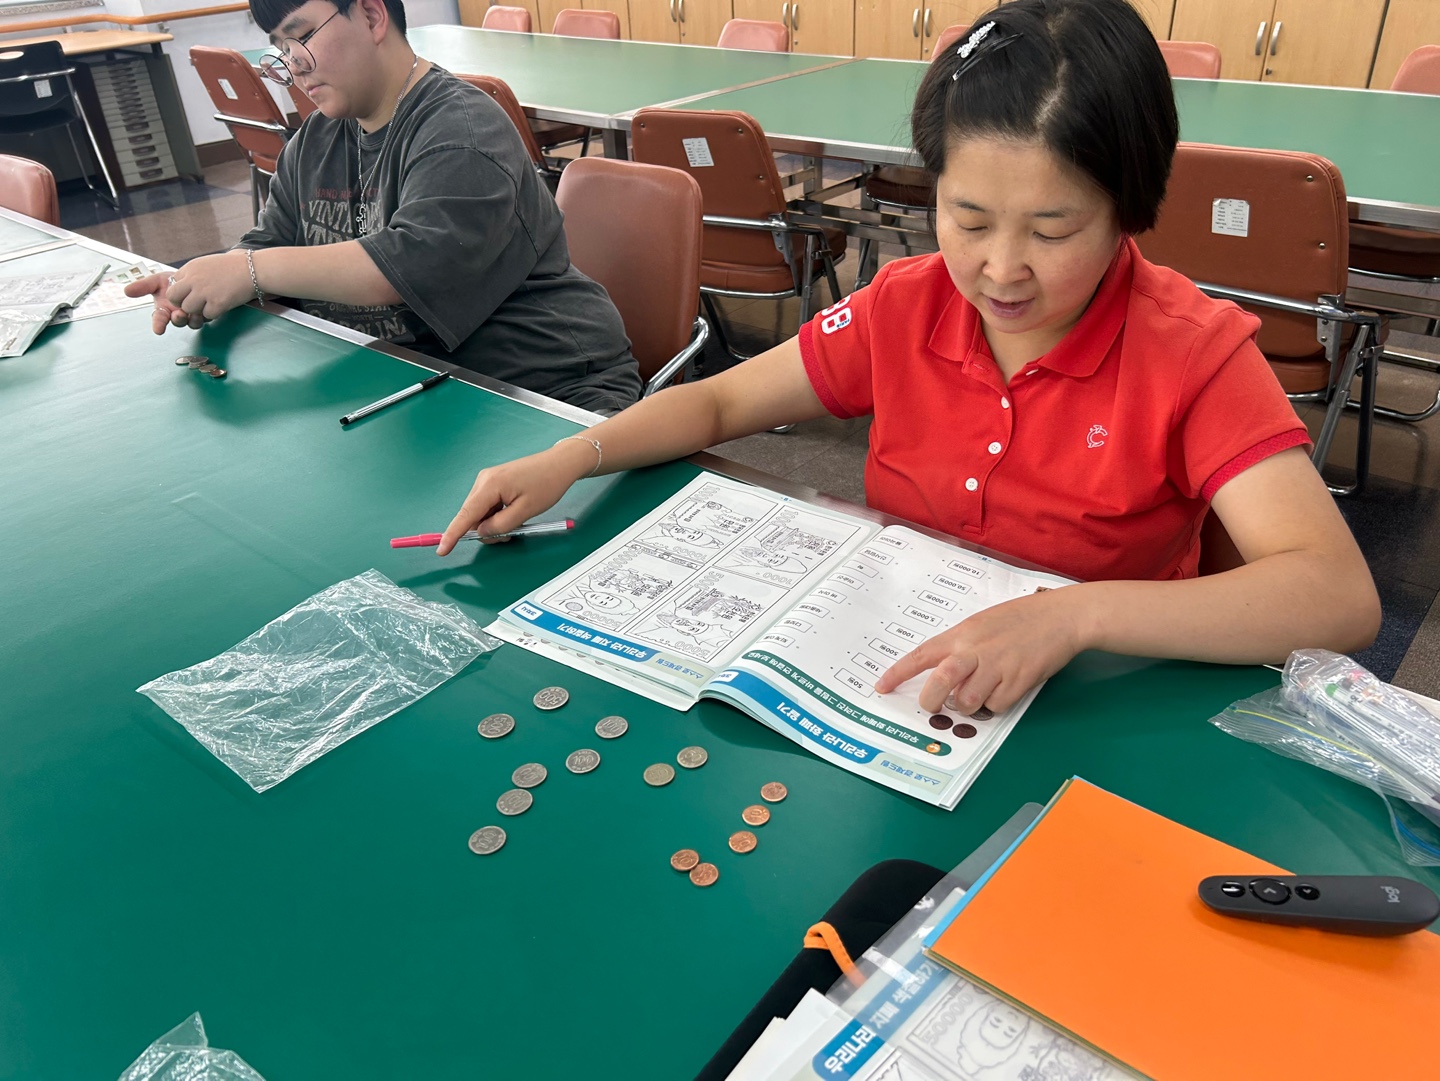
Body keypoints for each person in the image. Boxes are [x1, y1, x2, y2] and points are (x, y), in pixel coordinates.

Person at [438, 0, 1380, 718]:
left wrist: (1076, 613)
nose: (1000, 269)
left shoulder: (1192, 352)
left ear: (1131, 210)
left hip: (1097, 705)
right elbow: (719, 405)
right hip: (904, 677)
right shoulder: (909, 302)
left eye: (1053, 230)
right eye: (968, 219)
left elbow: (1336, 595)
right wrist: (574, 453)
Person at [124, 0, 641, 415]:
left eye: (300, 38)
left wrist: (249, 271)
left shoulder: (462, 127)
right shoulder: (316, 140)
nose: (292, 66)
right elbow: (270, 240)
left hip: (544, 392)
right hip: (414, 384)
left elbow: (408, 265)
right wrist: (203, 284)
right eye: (279, 48)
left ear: (372, 16)